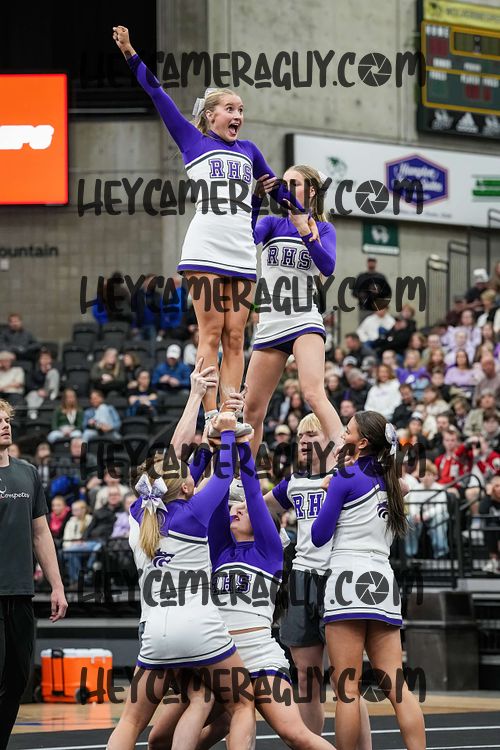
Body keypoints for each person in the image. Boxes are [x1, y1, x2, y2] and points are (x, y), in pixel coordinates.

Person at [113, 25, 307, 426]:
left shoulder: (250, 150)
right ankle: (209, 410)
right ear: (210, 115)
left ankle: (230, 412)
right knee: (211, 332)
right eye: (230, 109)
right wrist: (131, 52)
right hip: (205, 246)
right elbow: (158, 93)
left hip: (241, 248)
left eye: (241, 110)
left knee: (237, 336)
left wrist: (302, 214)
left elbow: (276, 189)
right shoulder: (193, 141)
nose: (238, 116)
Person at [149, 431, 334, 750]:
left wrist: (243, 449)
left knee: (295, 735)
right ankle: (220, 724)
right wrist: (219, 445)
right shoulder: (220, 550)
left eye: (243, 510)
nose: (236, 511)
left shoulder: (269, 550)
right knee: (158, 739)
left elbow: (252, 494)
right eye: (234, 510)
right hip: (217, 655)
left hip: (259, 654)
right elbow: (218, 500)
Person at [106, 412, 257, 750]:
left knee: (131, 720)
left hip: (156, 632)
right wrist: (226, 434)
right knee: (241, 703)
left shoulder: (138, 512)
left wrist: (208, 445)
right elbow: (223, 473)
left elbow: (182, 477)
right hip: (199, 627)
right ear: (186, 487)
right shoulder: (194, 513)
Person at [311, 411, 426, 750]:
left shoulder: (345, 476)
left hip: (347, 577)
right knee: (397, 685)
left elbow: (319, 535)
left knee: (347, 689)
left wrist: (328, 490)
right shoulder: (392, 481)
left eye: (347, 430)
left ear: (361, 443)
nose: (342, 433)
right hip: (382, 579)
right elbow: (401, 485)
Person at [264, 413, 372, 746]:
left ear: (332, 441)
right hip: (302, 577)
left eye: (312, 435)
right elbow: (262, 508)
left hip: (337, 576)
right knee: (306, 678)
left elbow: (398, 485)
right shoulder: (293, 482)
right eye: (300, 437)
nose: (304, 442)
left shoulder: (346, 475)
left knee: (345, 680)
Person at [244, 165, 341, 457]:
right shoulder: (272, 223)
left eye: (294, 183)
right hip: (271, 324)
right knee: (251, 410)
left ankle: (345, 457)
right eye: (283, 183)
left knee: (313, 393)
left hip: (304, 319)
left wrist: (305, 231)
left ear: (311, 191)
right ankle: (244, 476)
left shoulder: (323, 229)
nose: (286, 189)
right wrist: (256, 199)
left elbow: (328, 267)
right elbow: (246, 240)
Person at [0, 399, 67, 749]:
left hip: (21, 593)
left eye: (6, 420)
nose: (5, 425)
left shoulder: (27, 472)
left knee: (17, 680)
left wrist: (57, 586)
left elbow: (41, 533)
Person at [25, 349, 60, 419]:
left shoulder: (54, 369)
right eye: (43, 358)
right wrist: (38, 390)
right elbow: (29, 384)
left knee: (53, 372)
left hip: (48, 391)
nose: (46, 360)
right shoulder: (33, 370)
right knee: (33, 395)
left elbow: (58, 381)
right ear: (39, 360)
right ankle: (32, 414)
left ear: (51, 360)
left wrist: (48, 371)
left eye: (47, 358)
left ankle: (52, 394)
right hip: (37, 392)